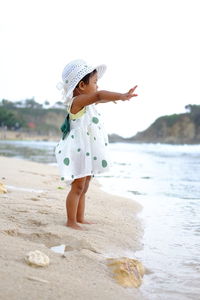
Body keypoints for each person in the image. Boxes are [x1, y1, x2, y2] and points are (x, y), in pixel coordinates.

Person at [55, 59, 138, 230]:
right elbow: (100, 96)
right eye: (95, 82)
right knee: (77, 186)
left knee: (84, 187)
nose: (98, 86)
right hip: (78, 150)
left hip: (87, 150)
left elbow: (101, 99)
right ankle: (71, 221)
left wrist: (117, 98)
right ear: (82, 85)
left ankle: (80, 218)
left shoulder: (88, 101)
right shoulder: (77, 102)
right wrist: (122, 96)